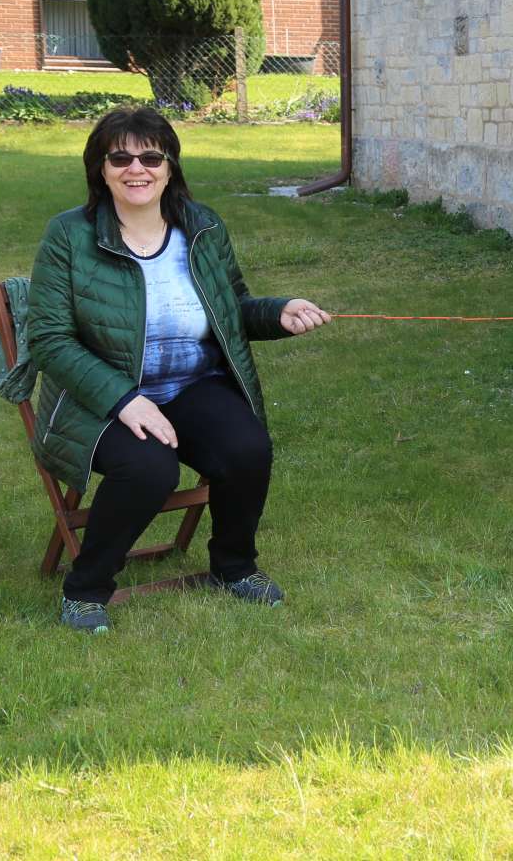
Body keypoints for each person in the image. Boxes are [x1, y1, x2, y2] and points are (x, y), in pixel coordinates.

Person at [27, 106, 331, 633]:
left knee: (246, 449)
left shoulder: (202, 225)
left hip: (190, 384)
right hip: (98, 397)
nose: (135, 168)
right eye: (119, 157)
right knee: (149, 468)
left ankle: (234, 568)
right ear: (100, 169)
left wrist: (278, 311)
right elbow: (49, 340)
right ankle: (86, 588)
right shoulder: (69, 236)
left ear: (170, 168)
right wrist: (125, 400)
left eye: (150, 156)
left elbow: (229, 308)